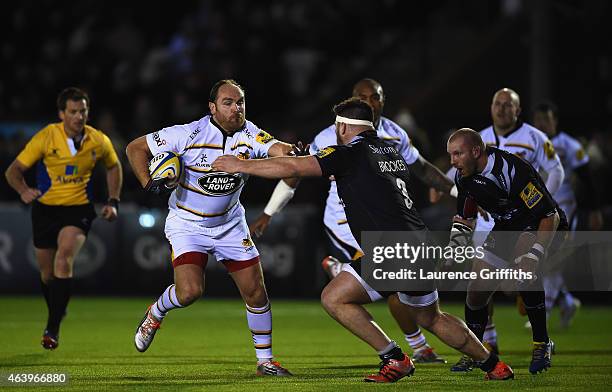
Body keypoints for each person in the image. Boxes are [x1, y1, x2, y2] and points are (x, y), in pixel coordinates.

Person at [213, 98, 514, 383]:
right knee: (432, 317)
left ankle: (394, 358)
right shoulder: (390, 150)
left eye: (336, 127)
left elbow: (293, 169)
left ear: (342, 127)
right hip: (418, 244)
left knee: (334, 298)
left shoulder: (349, 153)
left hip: (392, 249)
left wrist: (240, 165)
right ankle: (494, 365)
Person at [250, 78, 454, 363]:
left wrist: (456, 191)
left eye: (376, 96)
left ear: (383, 101)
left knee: (394, 281)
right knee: (394, 280)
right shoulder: (328, 135)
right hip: (344, 222)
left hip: (385, 224)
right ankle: (418, 347)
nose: (370, 101)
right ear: (354, 100)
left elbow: (422, 168)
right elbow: (295, 170)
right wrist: (270, 211)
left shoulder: (395, 135)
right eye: (363, 96)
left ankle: (345, 272)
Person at [125, 79, 293, 377]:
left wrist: (294, 151)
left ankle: (265, 361)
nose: (236, 108)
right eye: (228, 103)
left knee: (255, 292)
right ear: (212, 107)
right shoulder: (187, 134)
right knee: (189, 292)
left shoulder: (251, 133)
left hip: (229, 224)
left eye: (240, 102)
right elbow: (135, 147)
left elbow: (279, 150)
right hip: (187, 223)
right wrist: (147, 184)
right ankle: (156, 312)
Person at [434, 88, 565, 360]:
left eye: (457, 155)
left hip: (539, 221)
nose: (452, 163)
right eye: (451, 155)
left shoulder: (514, 170)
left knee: (523, 270)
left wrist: (535, 253)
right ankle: (477, 353)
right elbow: (465, 218)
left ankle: (542, 344)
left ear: (476, 151)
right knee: (476, 291)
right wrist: (454, 253)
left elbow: (549, 214)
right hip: (506, 225)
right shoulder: (464, 176)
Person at [4, 87, 123, 350]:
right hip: (45, 210)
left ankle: (52, 327)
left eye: (83, 111)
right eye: (73, 112)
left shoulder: (98, 140)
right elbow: (13, 171)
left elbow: (114, 166)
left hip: (78, 209)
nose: (79, 116)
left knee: (64, 257)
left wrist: (113, 201)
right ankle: (58, 308)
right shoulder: (47, 137)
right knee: (47, 275)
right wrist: (23, 190)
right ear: (62, 114)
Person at [533, 101, 603, 327]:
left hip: (563, 206)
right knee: (541, 258)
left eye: (546, 119)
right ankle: (567, 301)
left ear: (555, 120)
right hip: (536, 206)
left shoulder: (569, 145)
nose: (542, 123)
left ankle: (545, 311)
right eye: (538, 119)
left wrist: (594, 210)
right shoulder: (532, 142)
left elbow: (587, 179)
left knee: (553, 259)